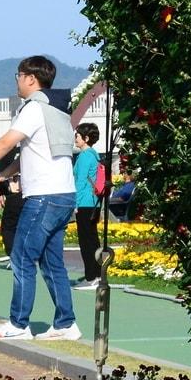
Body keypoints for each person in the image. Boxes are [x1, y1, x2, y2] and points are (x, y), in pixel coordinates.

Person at [0, 55, 81, 341]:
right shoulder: (58, 111)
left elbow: (5, 143)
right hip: (63, 195)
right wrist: (6, 173)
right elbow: (32, 153)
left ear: (30, 79)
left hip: (43, 198)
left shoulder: (33, 109)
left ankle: (19, 324)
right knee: (51, 262)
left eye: (18, 75)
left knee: (22, 256)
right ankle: (65, 323)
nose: (16, 80)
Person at [72, 123, 103, 290]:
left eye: (77, 135)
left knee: (86, 241)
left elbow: (80, 181)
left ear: (86, 138)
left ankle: (91, 277)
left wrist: (74, 203)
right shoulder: (94, 155)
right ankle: (96, 275)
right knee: (93, 240)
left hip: (84, 203)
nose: (75, 138)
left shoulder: (84, 156)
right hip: (93, 202)